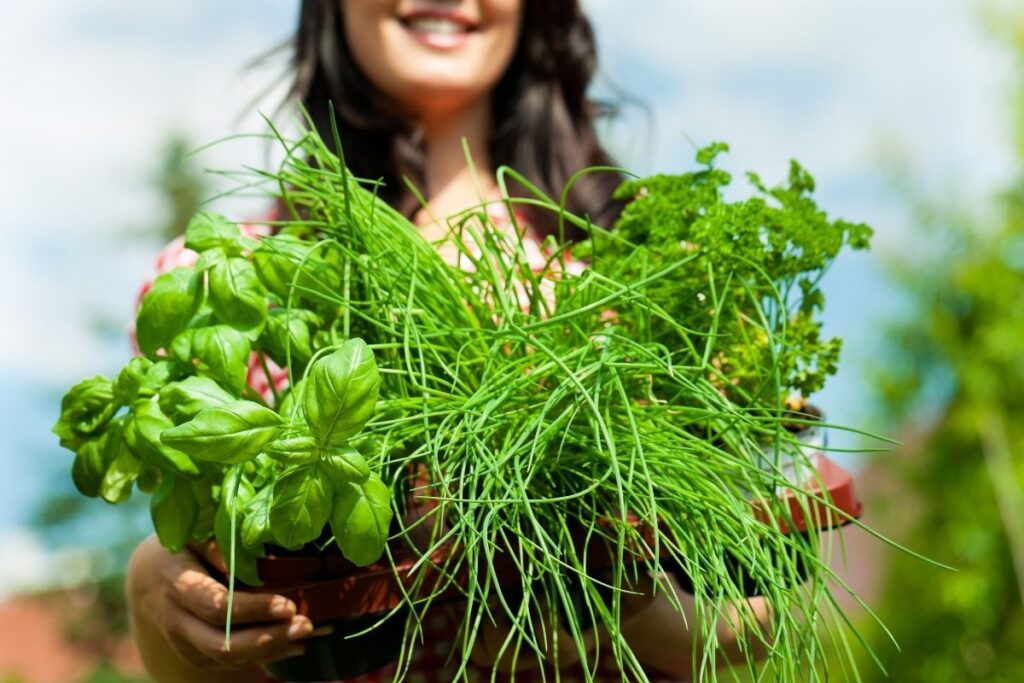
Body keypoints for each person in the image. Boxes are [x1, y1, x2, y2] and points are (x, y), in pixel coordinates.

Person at [126, 1, 770, 681]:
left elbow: (771, 600)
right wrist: (150, 588)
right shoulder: (225, 286)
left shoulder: (662, 275)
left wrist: (627, 617)